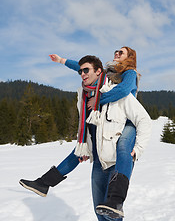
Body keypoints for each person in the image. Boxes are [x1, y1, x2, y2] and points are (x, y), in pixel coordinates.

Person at [20, 54, 152, 220]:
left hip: (114, 162)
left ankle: (44, 183)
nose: (82, 74)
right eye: (80, 71)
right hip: (98, 163)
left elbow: (144, 120)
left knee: (112, 215)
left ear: (98, 71)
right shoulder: (84, 96)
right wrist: (85, 148)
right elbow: (86, 127)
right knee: (100, 213)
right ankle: (43, 183)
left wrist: (138, 149)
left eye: (86, 70)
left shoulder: (117, 94)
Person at [49, 47, 141, 219]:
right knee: (83, 147)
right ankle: (46, 181)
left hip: (127, 122)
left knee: (123, 149)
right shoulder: (108, 73)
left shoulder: (129, 72)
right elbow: (84, 67)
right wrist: (62, 60)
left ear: (130, 58)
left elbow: (123, 91)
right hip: (109, 124)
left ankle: (117, 198)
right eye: (116, 51)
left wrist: (98, 100)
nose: (116, 53)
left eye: (121, 52)